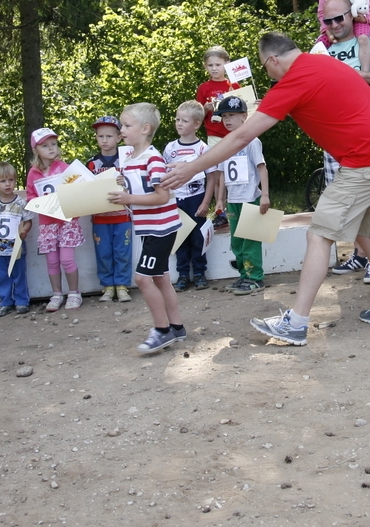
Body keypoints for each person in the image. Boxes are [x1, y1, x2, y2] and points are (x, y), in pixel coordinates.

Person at [162, 33, 370, 347]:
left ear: (272, 60)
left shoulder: (293, 80)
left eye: (267, 70)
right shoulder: (323, 62)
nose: (269, 77)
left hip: (367, 162)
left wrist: (191, 167)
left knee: (318, 234)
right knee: (368, 233)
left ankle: (296, 323)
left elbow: (241, 137)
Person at [320, 0, 370, 285]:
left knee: (367, 202)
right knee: (344, 202)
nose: (335, 24)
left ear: (352, 14)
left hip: (367, 135)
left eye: (340, 18)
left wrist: (365, 76)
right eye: (328, 20)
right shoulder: (323, 47)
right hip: (333, 136)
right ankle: (361, 256)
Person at [107, 103, 186, 355]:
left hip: (161, 227)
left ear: (145, 129)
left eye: (127, 125)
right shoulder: (130, 158)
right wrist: (124, 184)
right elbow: (140, 189)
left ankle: (161, 331)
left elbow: (162, 196)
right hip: (150, 228)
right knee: (161, 278)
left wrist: (128, 199)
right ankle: (176, 327)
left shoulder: (153, 158)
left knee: (142, 278)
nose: (122, 129)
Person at [211, 95, 271, 295]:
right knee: (236, 240)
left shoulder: (252, 142)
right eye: (224, 116)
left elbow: (262, 168)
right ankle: (244, 276)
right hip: (233, 201)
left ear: (244, 116)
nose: (227, 120)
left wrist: (265, 195)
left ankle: (256, 278)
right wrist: (220, 199)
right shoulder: (225, 143)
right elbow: (221, 174)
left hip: (250, 197)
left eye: (232, 115)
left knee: (250, 240)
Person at [25, 127, 83, 312]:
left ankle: (74, 292)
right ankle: (56, 294)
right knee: (51, 260)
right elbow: (30, 197)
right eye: (45, 145)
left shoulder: (65, 168)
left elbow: (77, 190)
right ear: (36, 150)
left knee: (67, 259)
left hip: (67, 221)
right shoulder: (33, 173)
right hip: (47, 223)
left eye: (53, 144)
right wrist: (41, 202)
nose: (51, 148)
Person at [165, 101, 214, 292]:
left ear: (196, 124)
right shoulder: (170, 148)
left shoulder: (203, 149)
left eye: (184, 120)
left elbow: (211, 177)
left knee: (197, 238)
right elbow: (165, 176)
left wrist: (206, 202)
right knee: (180, 238)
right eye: (177, 119)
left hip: (197, 198)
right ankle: (183, 275)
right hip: (176, 201)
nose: (179, 123)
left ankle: (200, 273)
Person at [86, 116, 135, 301]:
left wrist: (126, 181)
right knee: (103, 253)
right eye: (100, 136)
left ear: (118, 138)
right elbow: (84, 189)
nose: (104, 140)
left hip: (122, 216)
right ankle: (107, 286)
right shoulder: (91, 164)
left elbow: (136, 184)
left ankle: (122, 286)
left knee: (122, 251)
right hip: (100, 217)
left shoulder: (126, 161)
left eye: (109, 136)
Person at [0, 161, 34, 316]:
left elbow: (28, 221)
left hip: (16, 245)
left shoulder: (21, 202)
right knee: (2, 276)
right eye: (3, 181)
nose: (8, 184)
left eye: (11, 180)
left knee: (19, 274)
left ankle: (22, 301)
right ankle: (5, 302)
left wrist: (24, 230)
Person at [195, 46, 236, 143]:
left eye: (218, 65)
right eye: (210, 65)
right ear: (205, 66)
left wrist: (254, 104)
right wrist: (205, 108)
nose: (214, 68)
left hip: (235, 134)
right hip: (214, 136)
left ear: (227, 64)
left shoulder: (234, 85)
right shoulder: (203, 88)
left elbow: (245, 111)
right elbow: (197, 117)